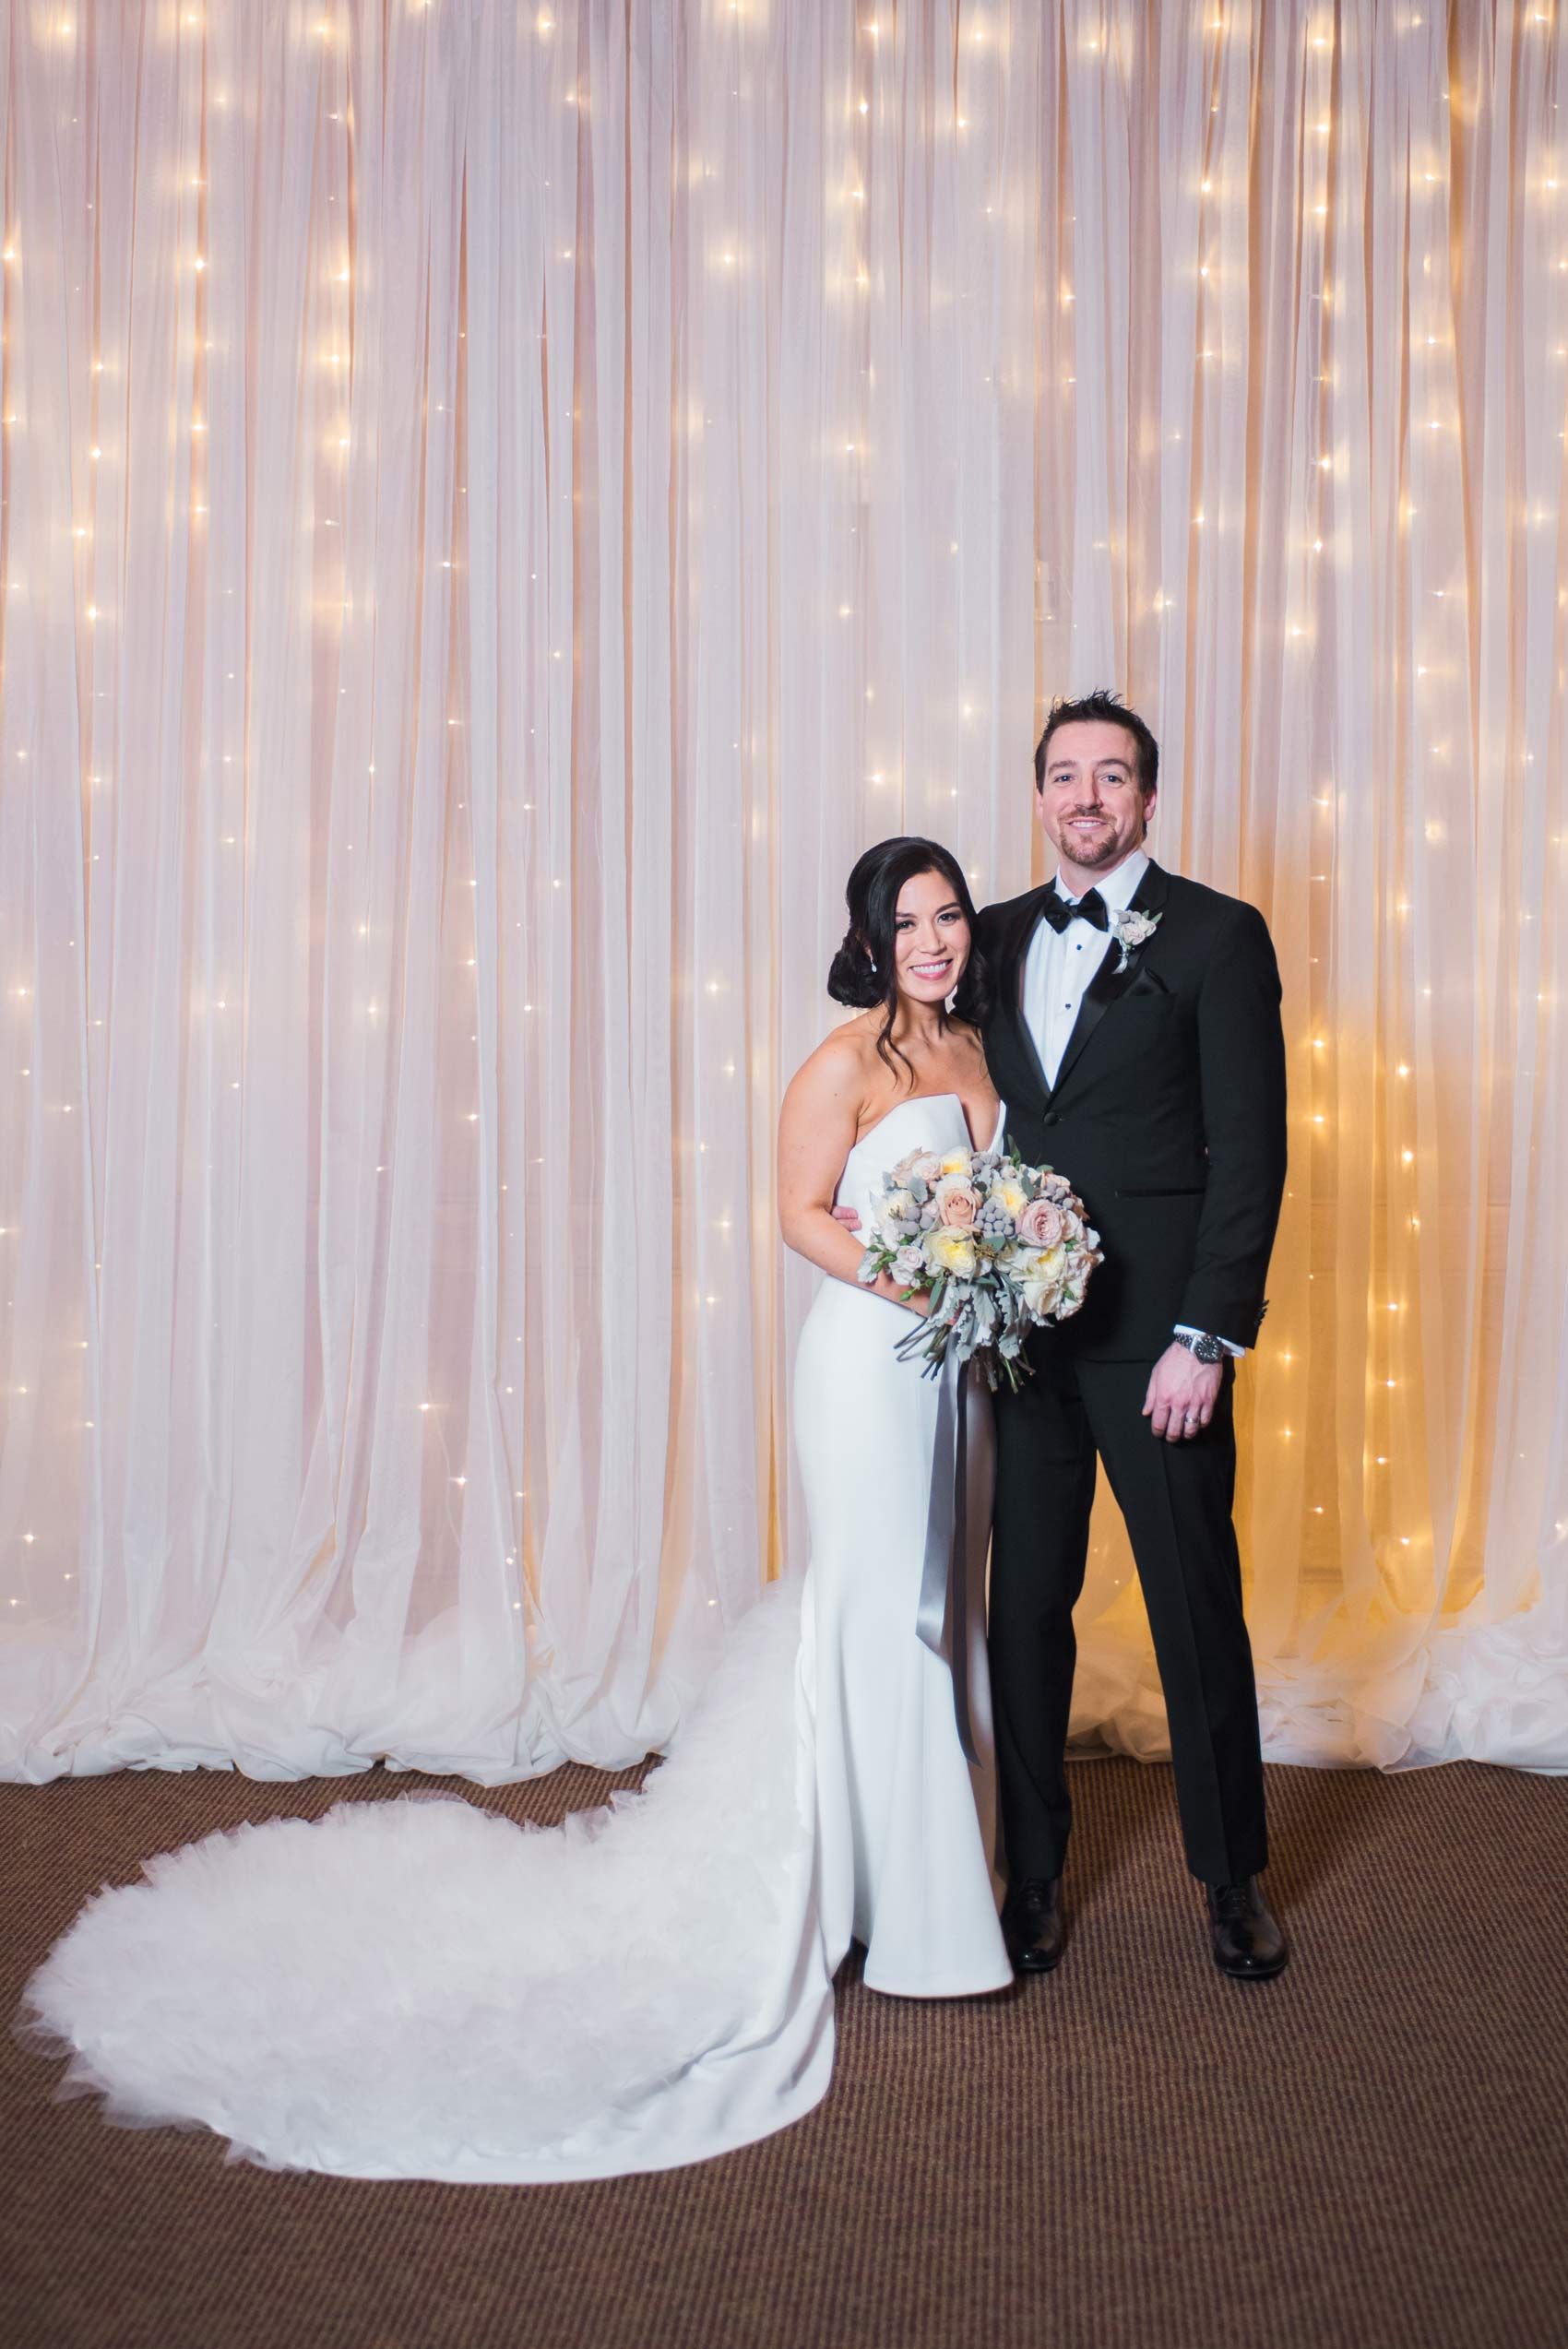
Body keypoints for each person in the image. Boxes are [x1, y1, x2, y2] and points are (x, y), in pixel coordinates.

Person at [18, 838, 1014, 2181]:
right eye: (910, 921)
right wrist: (918, 1282)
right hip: (872, 1360)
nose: (936, 939)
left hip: (959, 1370)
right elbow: (796, 1214)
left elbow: (993, 1201)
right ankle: (917, 1925)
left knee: (944, 1609)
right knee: (883, 1605)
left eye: (949, 915)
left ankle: (914, 1877)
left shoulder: (974, 1057)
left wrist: (996, 1274)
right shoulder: (845, 1063)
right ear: (870, 937)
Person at [979, 689, 1289, 1981]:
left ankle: (1231, 1883)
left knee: (1193, 1610)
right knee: (1024, 1616)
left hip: (1156, 1343)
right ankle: (1034, 1875)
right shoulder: (989, 937)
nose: (1087, 798)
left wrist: (1204, 1335)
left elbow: (1252, 1151)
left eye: (1113, 777)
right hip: (1021, 1344)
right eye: (1065, 775)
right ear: (1040, 794)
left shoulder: (1218, 936)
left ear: (1148, 799)